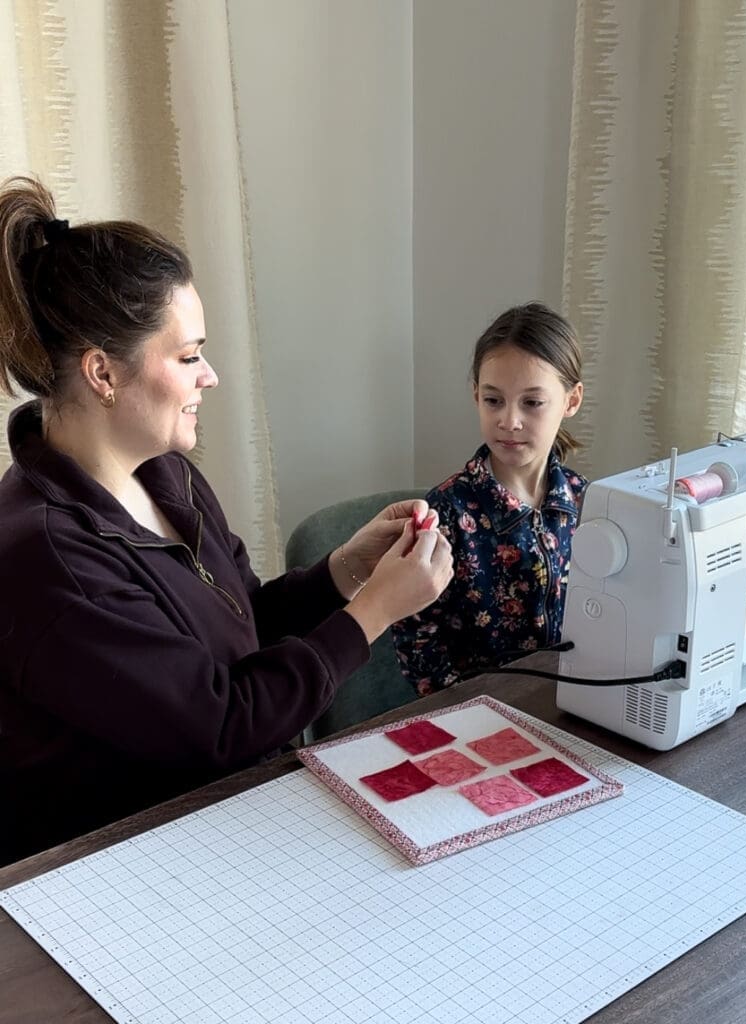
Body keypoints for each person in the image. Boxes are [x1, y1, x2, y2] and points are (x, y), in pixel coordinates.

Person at [0, 176, 452, 864]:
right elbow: (219, 722)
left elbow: (240, 631)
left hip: (229, 827)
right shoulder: (47, 557)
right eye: (187, 357)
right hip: (119, 875)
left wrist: (344, 574)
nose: (209, 375)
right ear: (101, 373)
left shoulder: (165, 473)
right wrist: (372, 615)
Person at [392, 302, 588, 695]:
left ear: (571, 401)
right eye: (493, 400)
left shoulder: (589, 502)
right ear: (476, 395)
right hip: (478, 720)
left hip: (576, 707)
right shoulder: (446, 514)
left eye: (532, 403)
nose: (509, 421)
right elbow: (417, 642)